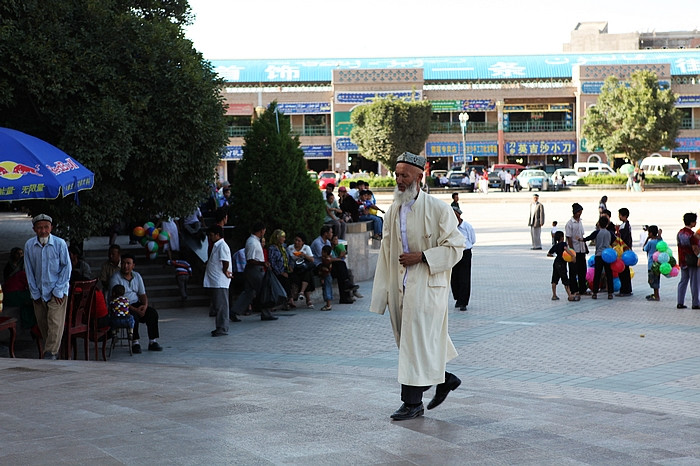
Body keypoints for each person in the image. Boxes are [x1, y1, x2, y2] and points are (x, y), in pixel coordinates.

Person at [370, 151, 465, 421]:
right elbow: (387, 254)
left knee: (415, 346)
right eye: (397, 175)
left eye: (405, 175)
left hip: (427, 287)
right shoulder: (393, 211)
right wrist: (383, 294)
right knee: (417, 344)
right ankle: (445, 379)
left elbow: (457, 246)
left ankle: (412, 403)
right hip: (400, 288)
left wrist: (422, 257)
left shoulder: (438, 209)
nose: (399, 180)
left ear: (419, 177)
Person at [24, 214, 72, 360]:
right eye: (39, 228)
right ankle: (53, 351)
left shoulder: (60, 243)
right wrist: (35, 293)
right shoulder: (29, 245)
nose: (43, 231)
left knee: (55, 322)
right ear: (34, 229)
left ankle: (50, 353)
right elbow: (29, 270)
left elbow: (66, 268)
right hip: (39, 291)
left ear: (51, 227)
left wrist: (58, 291)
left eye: (46, 227)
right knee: (44, 324)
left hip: (57, 291)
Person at [108, 253, 163, 353]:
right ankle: (135, 342)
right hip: (121, 307)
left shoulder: (137, 276)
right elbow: (116, 299)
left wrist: (144, 306)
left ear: (133, 265)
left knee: (152, 313)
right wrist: (136, 310)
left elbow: (142, 294)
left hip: (136, 303)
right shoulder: (115, 278)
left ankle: (152, 341)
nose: (125, 266)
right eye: (123, 263)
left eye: (128, 263)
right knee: (133, 317)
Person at [230, 222, 277, 321]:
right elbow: (250, 259)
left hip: (253, 269)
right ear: (261, 230)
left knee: (249, 292)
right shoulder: (252, 242)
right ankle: (266, 313)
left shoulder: (255, 241)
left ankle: (234, 311)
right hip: (254, 270)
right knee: (263, 290)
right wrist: (262, 263)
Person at [311, 225, 358, 304]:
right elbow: (324, 258)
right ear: (326, 233)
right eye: (331, 232)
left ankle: (345, 296)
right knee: (341, 266)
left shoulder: (328, 242)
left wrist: (338, 258)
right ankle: (346, 290)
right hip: (320, 265)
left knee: (342, 271)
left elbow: (330, 257)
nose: (332, 234)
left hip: (328, 263)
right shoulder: (317, 243)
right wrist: (339, 258)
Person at [205, 225, 233, 337]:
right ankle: (219, 327)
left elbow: (225, 261)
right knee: (218, 304)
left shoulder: (222, 246)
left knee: (221, 305)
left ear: (217, 235)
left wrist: (225, 271)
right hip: (216, 280)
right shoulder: (217, 246)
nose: (210, 238)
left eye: (212, 235)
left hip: (220, 280)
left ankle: (222, 328)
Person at [451, 206, 475, 312]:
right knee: (454, 278)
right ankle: (458, 298)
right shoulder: (450, 227)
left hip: (465, 253)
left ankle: (463, 302)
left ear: (459, 215)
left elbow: (472, 239)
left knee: (464, 278)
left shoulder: (467, 226)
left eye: (455, 216)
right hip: (454, 253)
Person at [676, 212, 700, 310]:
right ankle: (695, 303)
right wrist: (699, 257)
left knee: (683, 281)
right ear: (692, 222)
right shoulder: (692, 235)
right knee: (694, 282)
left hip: (683, 260)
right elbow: (695, 249)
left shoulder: (680, 233)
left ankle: (680, 302)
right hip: (692, 261)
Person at [565, 203, 588, 301]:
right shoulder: (570, 224)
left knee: (583, 270)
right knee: (573, 271)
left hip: (581, 249)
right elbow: (569, 238)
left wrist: (585, 247)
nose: (580, 214)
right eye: (579, 212)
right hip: (574, 251)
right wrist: (572, 252)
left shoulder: (580, 222)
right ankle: (574, 289)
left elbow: (582, 236)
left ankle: (583, 288)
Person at [287, 233, 315, 309]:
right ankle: (296, 298)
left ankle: (303, 293)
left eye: (299, 241)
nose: (297, 242)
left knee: (307, 274)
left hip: (304, 267)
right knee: (292, 277)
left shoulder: (306, 248)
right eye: (295, 240)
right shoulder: (290, 248)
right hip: (294, 268)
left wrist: (304, 255)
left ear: (303, 242)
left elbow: (312, 260)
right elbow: (288, 259)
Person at [589, 216, 615, 300]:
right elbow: (614, 239)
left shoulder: (597, 232)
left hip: (599, 255)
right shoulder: (609, 233)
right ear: (607, 224)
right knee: (609, 274)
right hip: (607, 255)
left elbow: (589, 238)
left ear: (599, 224)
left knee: (597, 274)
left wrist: (581, 239)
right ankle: (610, 293)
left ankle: (595, 293)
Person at [267, 229, 294, 309]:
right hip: (277, 271)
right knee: (285, 280)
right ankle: (289, 300)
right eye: (282, 237)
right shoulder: (272, 248)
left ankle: (290, 299)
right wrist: (281, 272)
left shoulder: (284, 247)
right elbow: (272, 262)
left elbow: (290, 258)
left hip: (286, 269)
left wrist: (290, 266)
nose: (284, 239)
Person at [548, 231, 574, 301]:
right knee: (565, 279)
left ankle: (554, 295)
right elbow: (566, 249)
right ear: (562, 237)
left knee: (554, 279)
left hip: (556, 262)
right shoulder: (563, 244)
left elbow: (549, 253)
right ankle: (570, 295)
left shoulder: (555, 245)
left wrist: (554, 255)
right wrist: (572, 255)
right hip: (562, 263)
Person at [616, 207, 633, 297]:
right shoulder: (626, 225)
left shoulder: (624, 227)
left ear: (624, 216)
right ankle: (627, 289)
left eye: (620, 215)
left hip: (623, 251)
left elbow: (622, 239)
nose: (619, 217)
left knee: (623, 271)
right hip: (626, 251)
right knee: (625, 271)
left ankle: (624, 290)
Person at [643, 225, 662, 302]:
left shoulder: (651, 242)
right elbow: (660, 239)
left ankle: (656, 296)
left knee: (652, 280)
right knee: (657, 279)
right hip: (658, 263)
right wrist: (659, 235)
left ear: (650, 233)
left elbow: (644, 248)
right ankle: (656, 294)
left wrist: (647, 239)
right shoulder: (659, 241)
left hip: (651, 264)